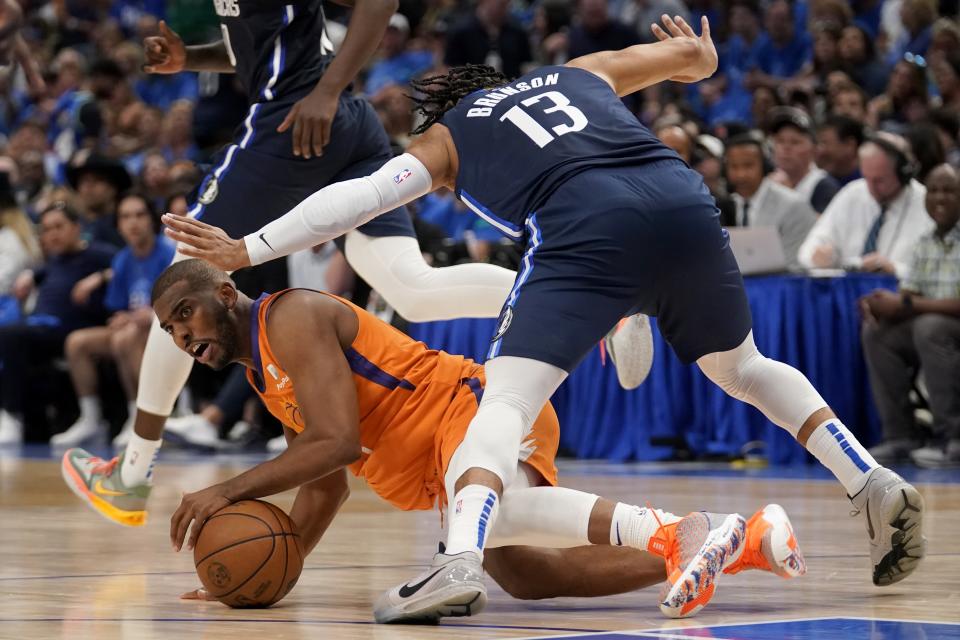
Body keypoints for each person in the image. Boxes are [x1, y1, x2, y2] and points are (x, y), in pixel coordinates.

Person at [161, 16, 924, 619]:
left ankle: (455, 562)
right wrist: (698, 59)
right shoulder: (575, 74)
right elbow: (689, 64)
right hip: (678, 194)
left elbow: (359, 196)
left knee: (506, 402)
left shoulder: (449, 136)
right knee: (743, 368)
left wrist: (248, 244)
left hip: (582, 226)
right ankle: (870, 481)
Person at [93, 259, 805, 621]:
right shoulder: (263, 373)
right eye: (171, 330)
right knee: (522, 573)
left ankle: (684, 530)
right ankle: (736, 544)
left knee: (501, 519)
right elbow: (325, 482)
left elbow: (338, 443)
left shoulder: (292, 318)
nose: (184, 335)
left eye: (186, 313)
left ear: (224, 291)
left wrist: (228, 489)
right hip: (440, 455)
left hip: (465, 410)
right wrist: (268, 573)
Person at [62, 0, 534, 526]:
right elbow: (271, 43)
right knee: (412, 286)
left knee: (184, 277)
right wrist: (192, 58)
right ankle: (570, 296)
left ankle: (130, 474)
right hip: (347, 125)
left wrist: (327, 90)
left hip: (297, 118)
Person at [52, 193, 174, 447]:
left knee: (125, 338)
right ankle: (91, 420)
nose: (133, 223)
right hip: (133, 331)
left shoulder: (168, 252)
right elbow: (118, 308)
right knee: (77, 342)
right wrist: (122, 318)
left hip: (168, 331)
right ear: (118, 225)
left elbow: (182, 301)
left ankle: (146, 418)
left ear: (152, 220)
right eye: (126, 217)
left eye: (139, 215)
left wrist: (150, 314)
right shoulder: (122, 259)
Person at [860, 164, 960, 467]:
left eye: (949, 190)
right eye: (933, 190)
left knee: (930, 327)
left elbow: (918, 305)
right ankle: (901, 435)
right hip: (934, 326)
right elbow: (911, 295)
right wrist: (883, 303)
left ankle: (953, 439)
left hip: (943, 328)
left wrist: (908, 306)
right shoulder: (924, 241)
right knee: (878, 333)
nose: (939, 198)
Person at [0, 203, 115, 445]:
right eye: (47, 229)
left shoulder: (97, 254)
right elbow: (38, 273)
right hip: (39, 330)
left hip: (70, 329)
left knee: (10, 334)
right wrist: (29, 276)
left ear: (76, 228)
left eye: (58, 227)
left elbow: (124, 263)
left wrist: (98, 277)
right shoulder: (51, 263)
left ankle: (11, 415)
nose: (52, 234)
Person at [799, 132, 932, 276]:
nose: (871, 188)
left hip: (899, 293)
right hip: (847, 292)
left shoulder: (927, 204)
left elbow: (934, 273)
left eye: (879, 180)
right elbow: (808, 249)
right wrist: (817, 256)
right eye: (867, 178)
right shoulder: (853, 193)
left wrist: (895, 269)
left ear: (904, 172)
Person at [723, 133, 817, 268]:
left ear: (765, 166)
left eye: (748, 166)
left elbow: (794, 265)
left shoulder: (794, 206)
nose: (741, 174)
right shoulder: (722, 207)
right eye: (734, 167)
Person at [768, 107, 841, 214]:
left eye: (795, 142)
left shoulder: (824, 187)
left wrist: (787, 195)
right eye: (780, 141)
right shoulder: (768, 182)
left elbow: (823, 227)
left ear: (814, 149)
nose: (786, 148)